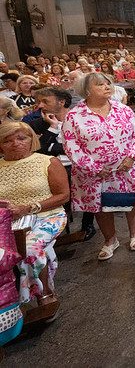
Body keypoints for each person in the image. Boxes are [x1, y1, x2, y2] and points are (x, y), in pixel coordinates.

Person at [62, 72, 135, 261]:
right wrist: (93, 167)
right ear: (86, 91)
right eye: (100, 85)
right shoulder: (75, 116)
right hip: (94, 172)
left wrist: (132, 157)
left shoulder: (123, 110)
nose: (107, 87)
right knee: (101, 206)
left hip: (126, 167)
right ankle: (110, 240)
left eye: (108, 83)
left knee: (132, 199)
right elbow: (71, 145)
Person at [0, 122, 69, 318]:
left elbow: (63, 196)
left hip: (47, 216)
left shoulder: (48, 162)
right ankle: (7, 299)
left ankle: (44, 293)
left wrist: (29, 208)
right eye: (7, 140)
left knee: (28, 247)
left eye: (22, 138)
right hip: (8, 220)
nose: (15, 143)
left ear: (32, 139)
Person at [30, 87, 97, 240]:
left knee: (88, 182)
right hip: (52, 168)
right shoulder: (38, 124)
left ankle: (87, 224)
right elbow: (39, 150)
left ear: (61, 102)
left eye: (45, 101)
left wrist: (53, 146)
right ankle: (54, 223)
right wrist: (53, 128)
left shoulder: (81, 120)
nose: (40, 105)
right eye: (38, 102)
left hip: (78, 165)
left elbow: (88, 147)